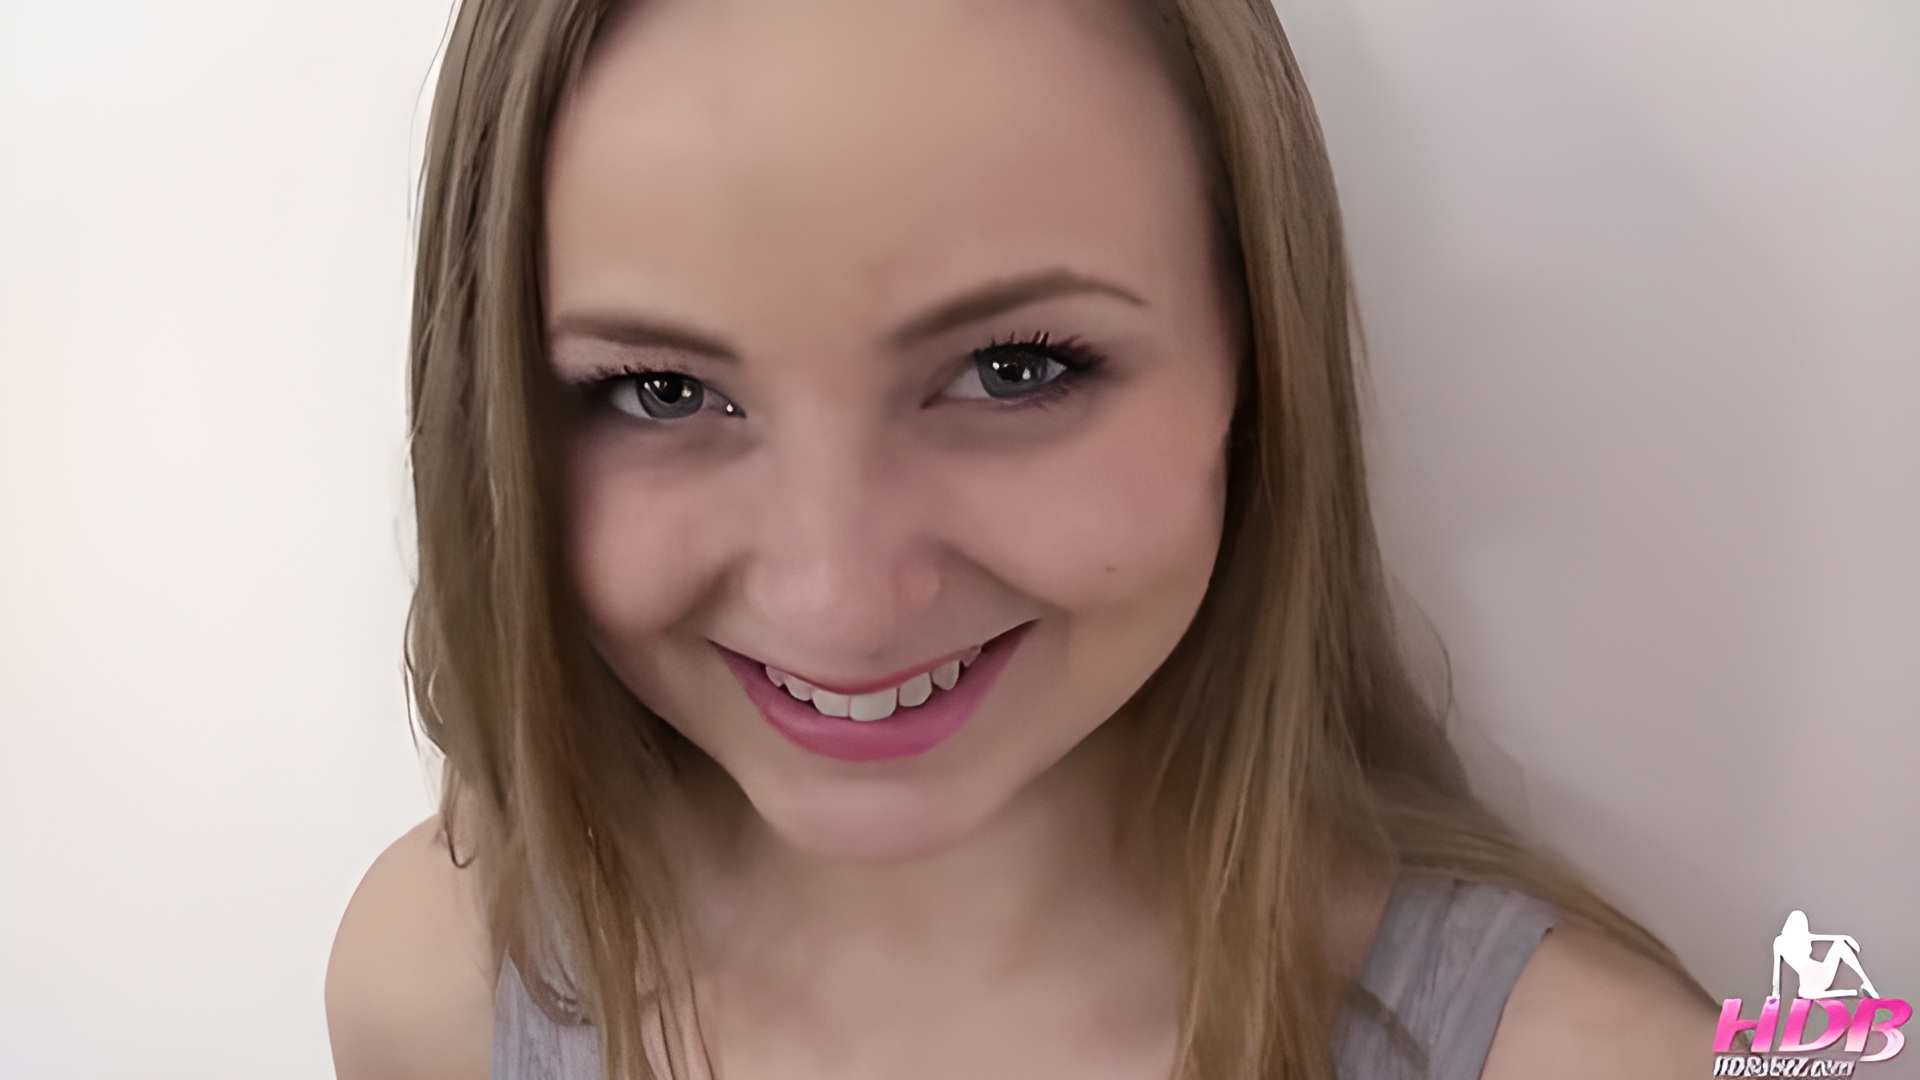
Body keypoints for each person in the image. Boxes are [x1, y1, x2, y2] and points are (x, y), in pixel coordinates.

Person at [325, 0, 1717, 1076]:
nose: (840, 599)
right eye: (662, 393)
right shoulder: (441, 985)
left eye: (1014, 370)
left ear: (1256, 372)